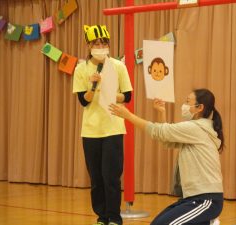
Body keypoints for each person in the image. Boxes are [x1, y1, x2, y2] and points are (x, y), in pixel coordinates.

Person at [109, 89, 224, 225]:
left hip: (206, 199)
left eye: (188, 102)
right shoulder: (196, 128)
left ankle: (208, 221)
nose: (185, 106)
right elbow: (166, 139)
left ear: (199, 108)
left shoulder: (196, 128)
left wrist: (128, 116)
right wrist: (162, 113)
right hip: (191, 198)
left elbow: (159, 131)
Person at [73, 24, 133, 225]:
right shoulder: (81, 68)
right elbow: (84, 100)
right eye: (96, 43)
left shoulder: (118, 66)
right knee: (96, 179)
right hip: (90, 131)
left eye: (104, 42)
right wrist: (94, 86)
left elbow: (128, 96)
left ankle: (115, 218)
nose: (100, 46)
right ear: (88, 45)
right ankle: (101, 217)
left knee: (111, 177)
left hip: (113, 127)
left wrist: (109, 91)